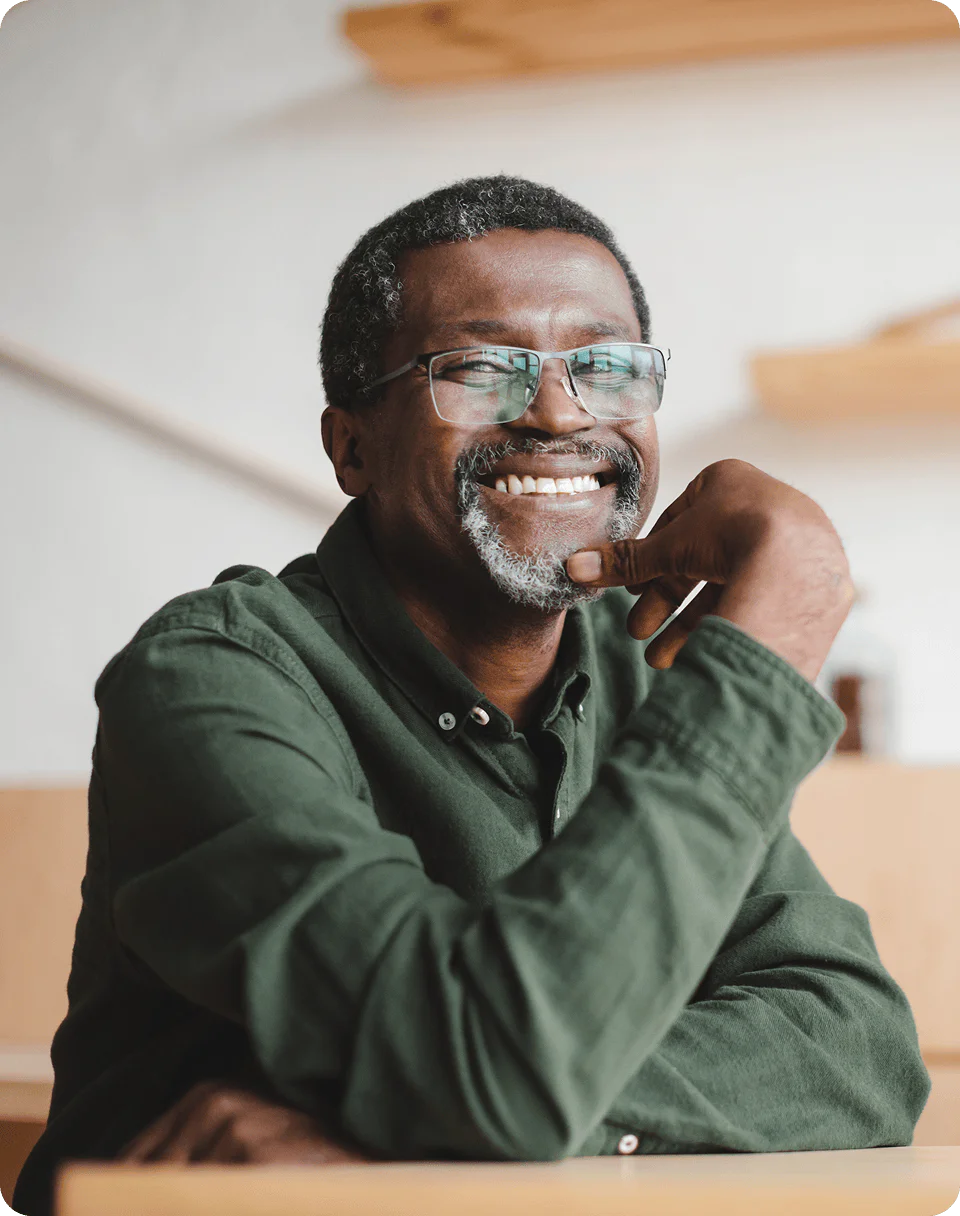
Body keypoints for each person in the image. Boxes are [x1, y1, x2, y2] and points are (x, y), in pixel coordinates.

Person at [14, 176, 929, 1215]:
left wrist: (434, 1124)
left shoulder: (639, 672)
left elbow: (856, 1047)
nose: (557, 411)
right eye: (481, 367)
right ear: (350, 446)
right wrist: (770, 637)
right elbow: (487, 1068)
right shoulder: (210, 678)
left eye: (606, 365)